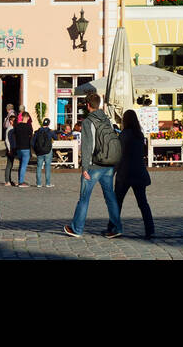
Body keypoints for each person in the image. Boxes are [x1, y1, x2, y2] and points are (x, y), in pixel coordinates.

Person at [63, 93, 124, 237]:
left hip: (93, 165)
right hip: (108, 164)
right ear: (99, 104)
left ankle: (77, 229)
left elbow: (87, 146)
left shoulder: (88, 122)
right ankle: (117, 228)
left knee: (84, 198)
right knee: (110, 197)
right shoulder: (107, 120)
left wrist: (84, 167)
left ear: (88, 105)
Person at [106, 109, 154, 239]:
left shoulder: (124, 135)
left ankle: (113, 227)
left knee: (117, 202)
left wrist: (112, 172)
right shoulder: (140, 135)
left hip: (125, 174)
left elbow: (118, 156)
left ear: (125, 121)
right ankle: (150, 229)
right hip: (139, 173)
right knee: (143, 203)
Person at [13, 111, 35, 187]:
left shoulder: (17, 126)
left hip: (18, 147)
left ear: (21, 117)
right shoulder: (29, 126)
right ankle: (21, 182)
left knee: (21, 164)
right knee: (24, 165)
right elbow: (31, 136)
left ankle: (20, 180)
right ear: (28, 118)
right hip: (26, 147)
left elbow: (15, 135)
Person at [33, 118, 54, 188]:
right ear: (48, 124)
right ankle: (48, 183)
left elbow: (33, 142)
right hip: (48, 151)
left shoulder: (38, 131)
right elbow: (56, 137)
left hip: (39, 152)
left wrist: (35, 150)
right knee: (47, 167)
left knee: (39, 167)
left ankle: (39, 183)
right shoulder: (50, 131)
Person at [4, 110, 18, 185]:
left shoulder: (14, 128)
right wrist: (9, 149)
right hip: (10, 149)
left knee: (11, 164)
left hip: (13, 149)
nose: (14, 122)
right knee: (9, 165)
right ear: (10, 121)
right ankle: (7, 181)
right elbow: (7, 141)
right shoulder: (9, 129)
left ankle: (9, 180)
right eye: (13, 121)